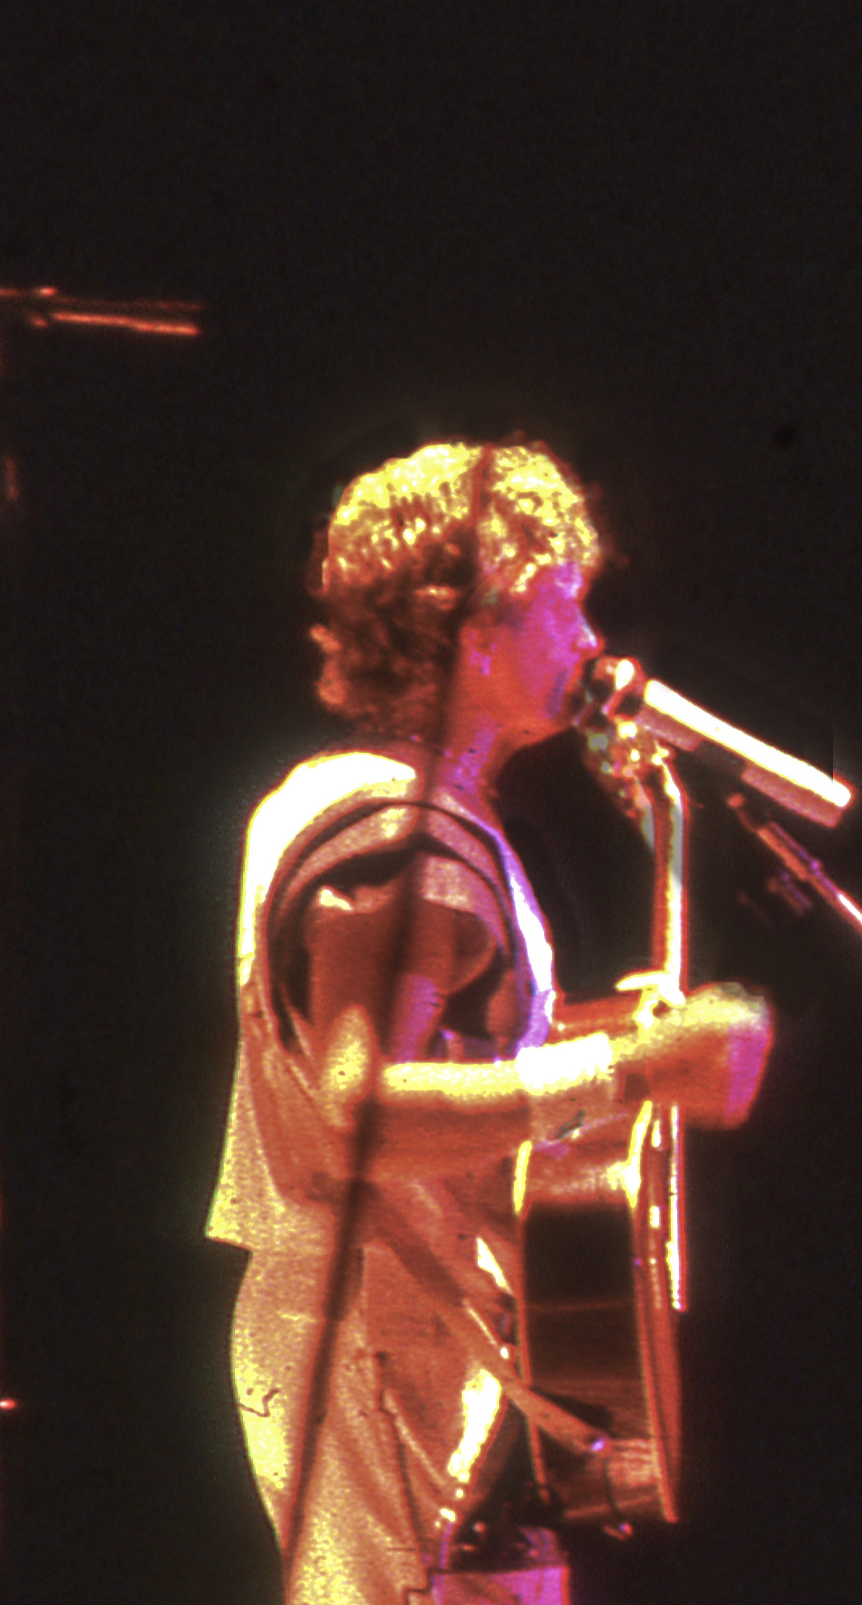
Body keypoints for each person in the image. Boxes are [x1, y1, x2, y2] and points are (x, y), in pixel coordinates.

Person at [206, 441, 772, 1603]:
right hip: (384, 1343)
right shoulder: (397, 833)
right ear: (476, 630)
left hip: (387, 1338)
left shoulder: (377, 808)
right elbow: (359, 1110)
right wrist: (627, 1069)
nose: (590, 644)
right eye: (564, 607)